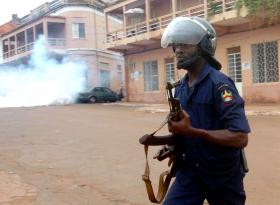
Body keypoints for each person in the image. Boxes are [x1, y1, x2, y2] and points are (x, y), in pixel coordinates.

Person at [160, 16, 251, 205]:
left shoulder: (220, 85)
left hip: (222, 176)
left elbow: (240, 137)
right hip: (191, 172)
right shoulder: (181, 87)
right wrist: (172, 146)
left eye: (185, 44)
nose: (178, 50)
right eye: (175, 45)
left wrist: (192, 132)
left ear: (203, 47)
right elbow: (186, 129)